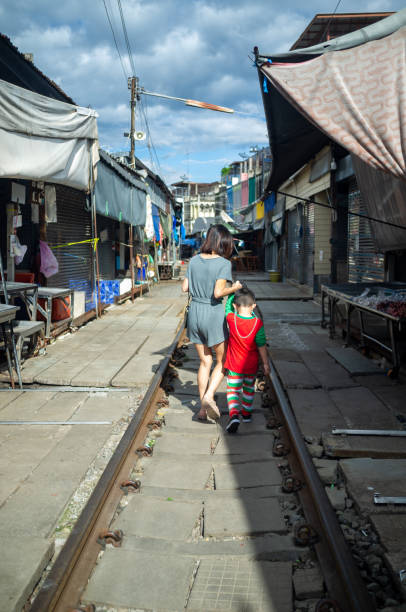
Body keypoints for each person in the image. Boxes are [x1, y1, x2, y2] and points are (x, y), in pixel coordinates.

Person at [182, 224, 242, 421]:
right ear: (224, 242)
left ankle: (201, 409)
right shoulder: (224, 264)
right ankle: (209, 396)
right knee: (222, 361)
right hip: (213, 314)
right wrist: (234, 288)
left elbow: (185, 288)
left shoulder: (193, 260)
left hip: (195, 314)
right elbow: (218, 293)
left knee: (204, 361)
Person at [224, 287, 270, 433]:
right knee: (249, 389)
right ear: (254, 306)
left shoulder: (232, 319)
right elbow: (261, 345)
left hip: (234, 365)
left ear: (235, 306)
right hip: (251, 365)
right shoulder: (257, 324)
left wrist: (232, 294)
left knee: (233, 391)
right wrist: (265, 364)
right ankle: (247, 414)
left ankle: (234, 415)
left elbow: (227, 308)